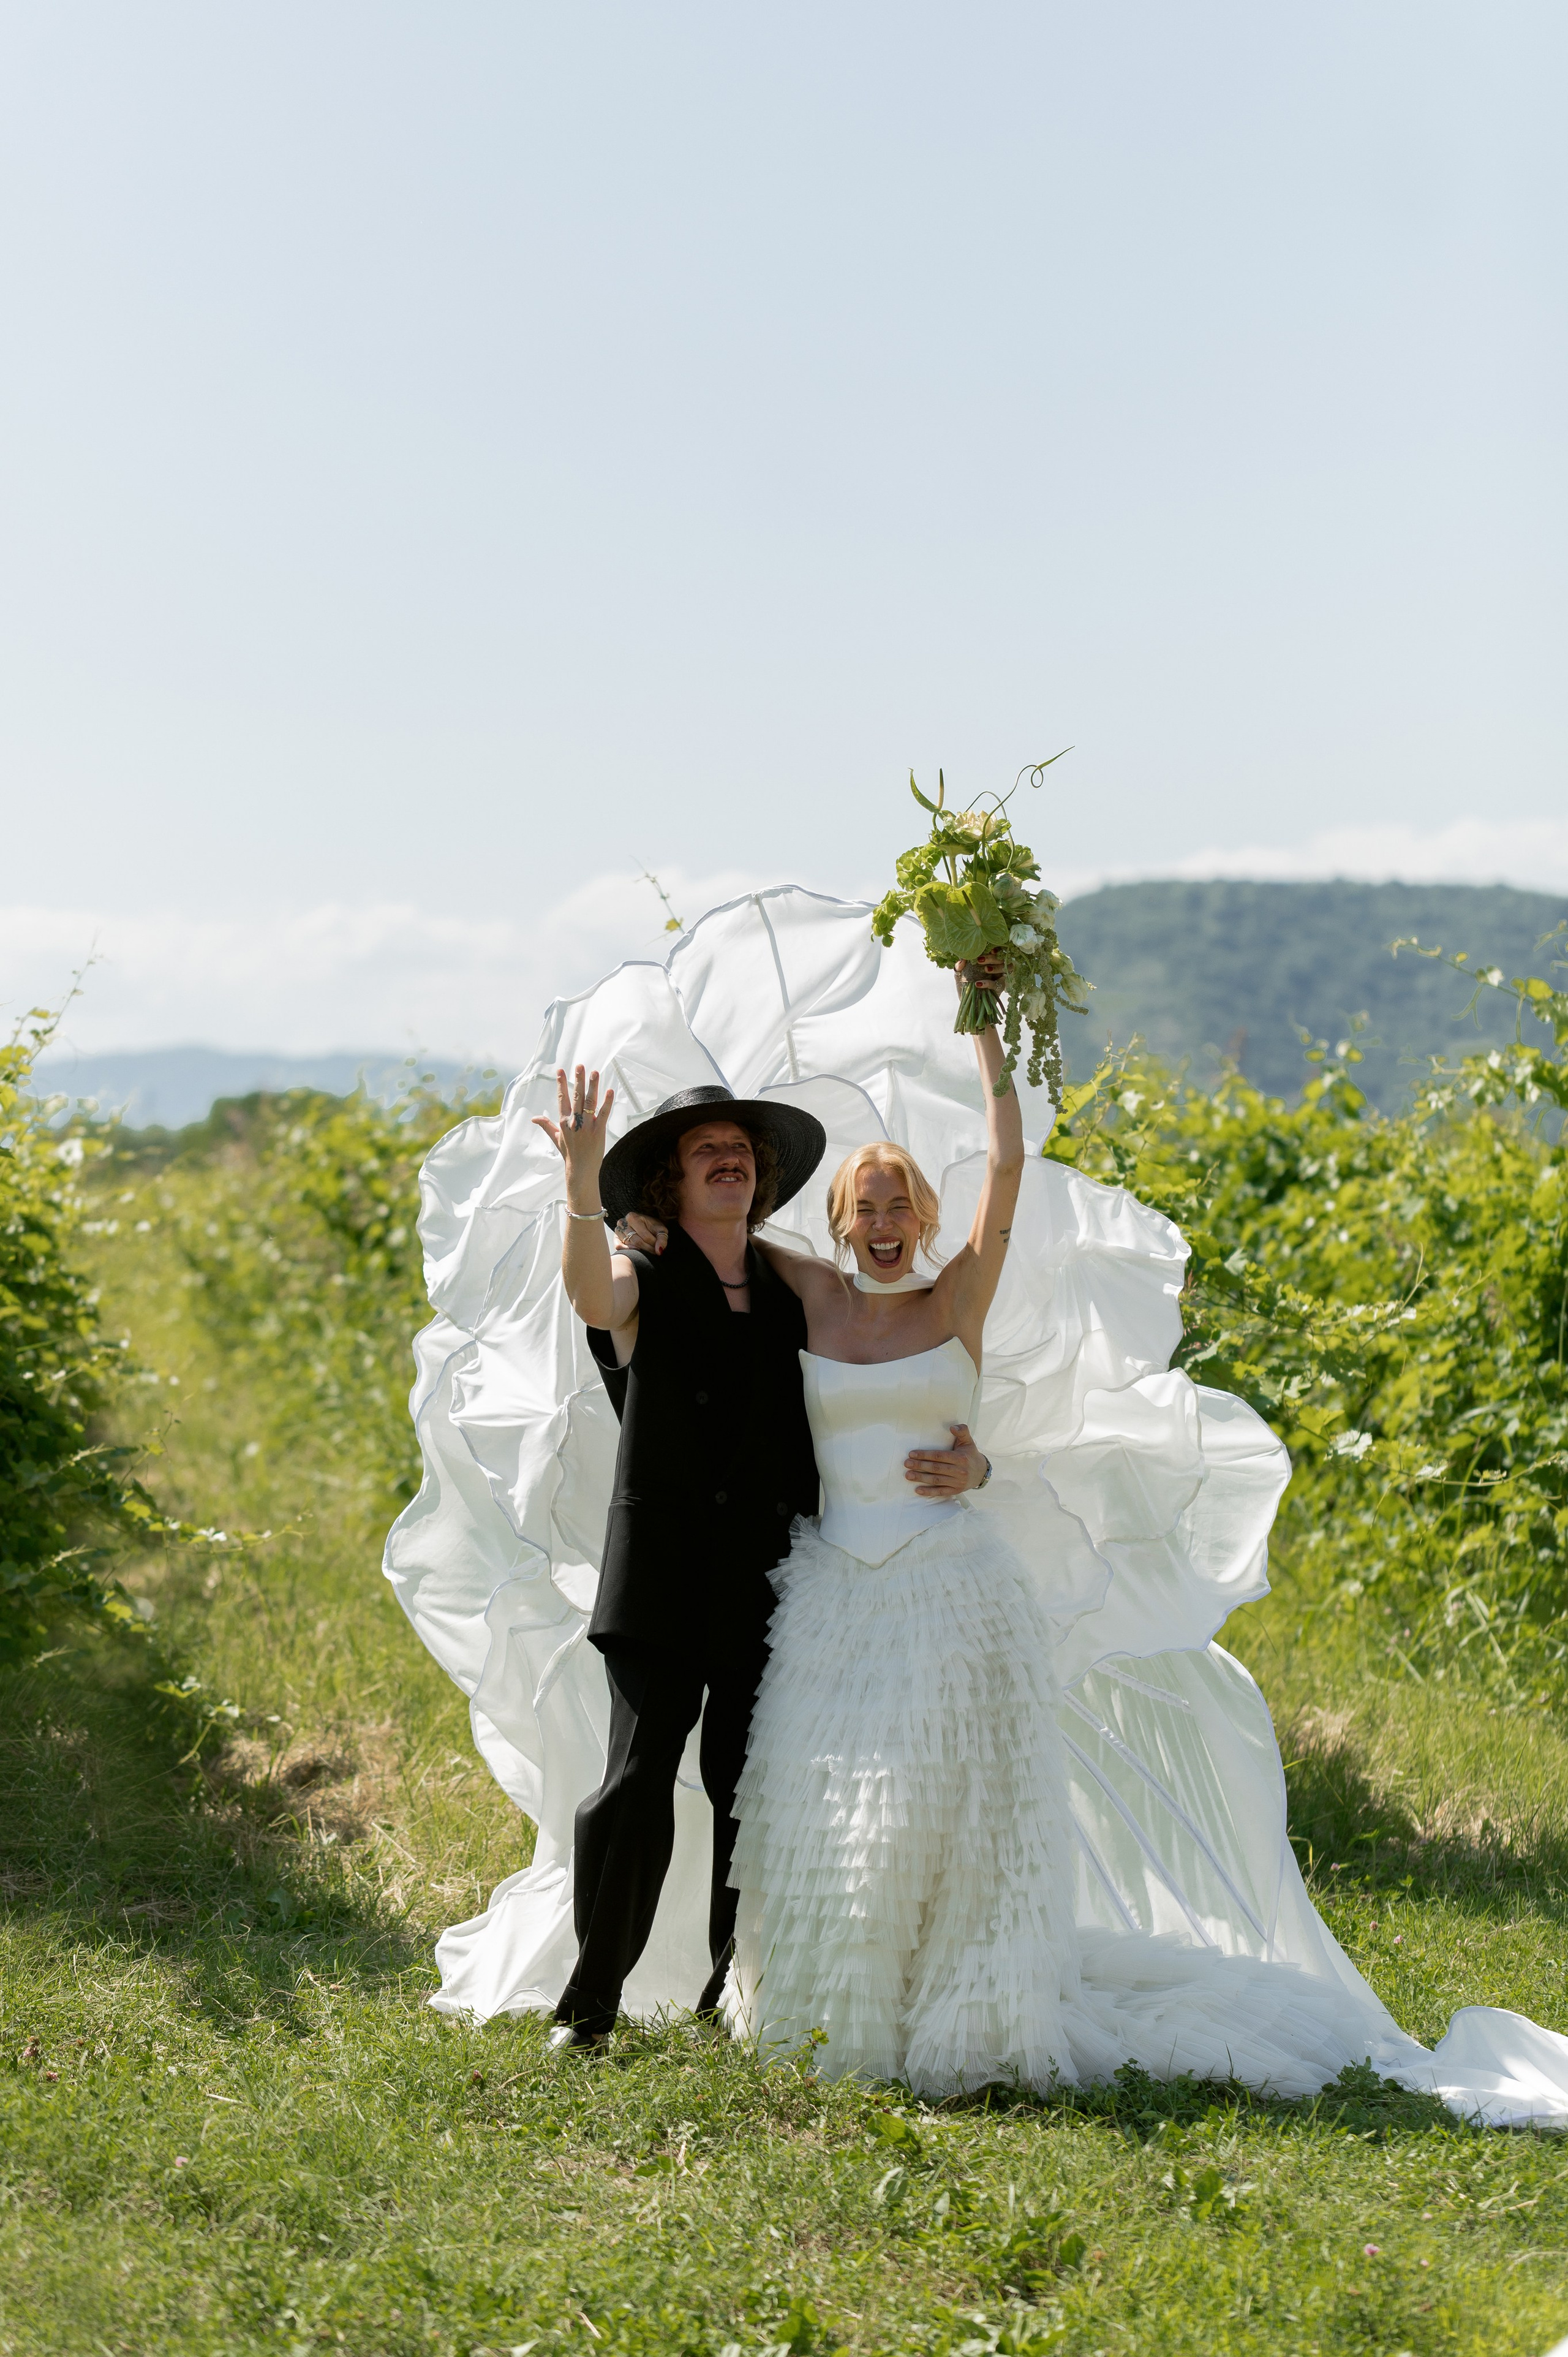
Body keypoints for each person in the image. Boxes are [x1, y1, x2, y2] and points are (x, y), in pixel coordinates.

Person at [390, 884, 1568, 2123]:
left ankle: (913, 2012)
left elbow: (1008, 1164)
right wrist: (601, 1193)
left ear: (917, 1220)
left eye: (899, 1204)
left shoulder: (919, 1297)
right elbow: (642, 1274)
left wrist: (986, 1029)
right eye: (864, 1207)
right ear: (832, 1222)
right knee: (751, 1799)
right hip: (790, 1587)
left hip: (896, 1592)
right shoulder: (747, 1283)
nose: (883, 1219)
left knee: (886, 1809)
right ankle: (704, 2003)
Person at [530, 1067, 990, 2050]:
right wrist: (583, 1197)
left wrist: (974, 1460)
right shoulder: (640, 1269)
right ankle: (590, 2009)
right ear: (669, 1184)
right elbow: (589, 1294)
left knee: (751, 1789)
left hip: (768, 1578)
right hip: (657, 1569)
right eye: (705, 1149)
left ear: (763, 1176)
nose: (727, 1155)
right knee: (637, 1780)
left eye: (739, 1147)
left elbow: (877, 1374)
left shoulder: (791, 1297)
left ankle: (728, 2006)